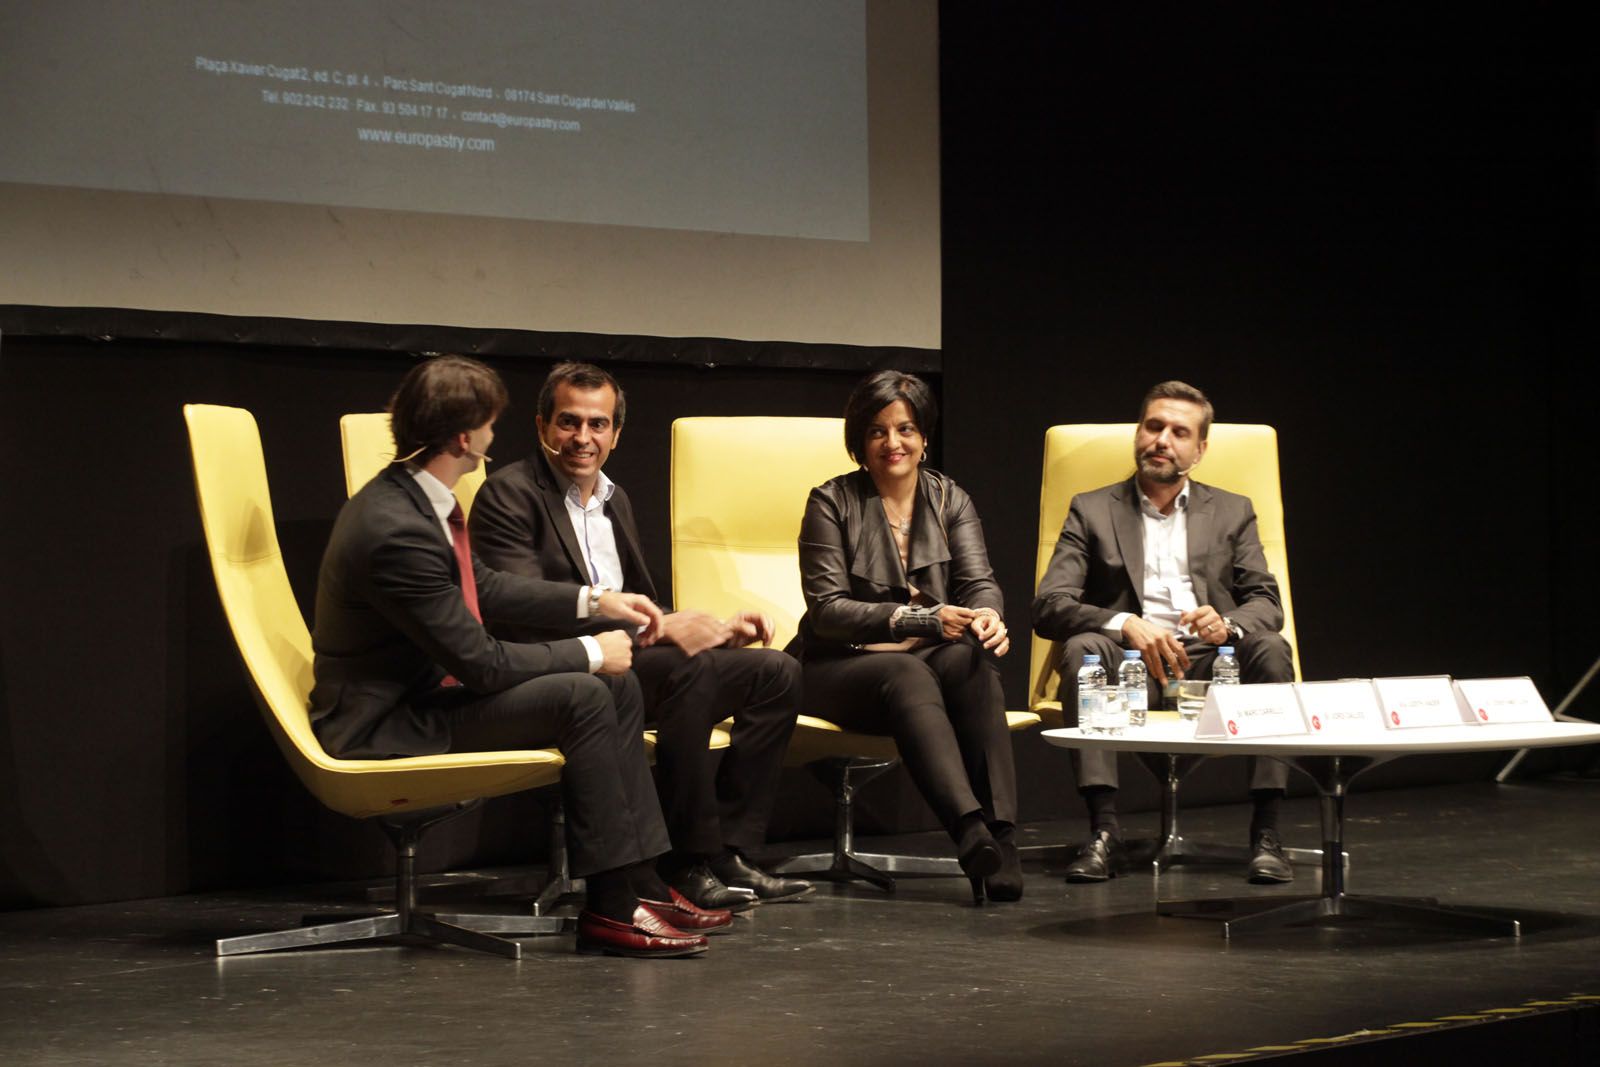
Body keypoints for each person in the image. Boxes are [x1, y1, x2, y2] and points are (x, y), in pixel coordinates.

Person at [308, 354, 731, 958]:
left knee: (617, 685)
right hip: (388, 721)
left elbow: (485, 583)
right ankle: (611, 909)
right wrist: (590, 651)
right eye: (490, 423)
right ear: (464, 434)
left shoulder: (420, 498)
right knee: (587, 689)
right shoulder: (395, 527)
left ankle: (640, 881)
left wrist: (599, 601)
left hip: (428, 694)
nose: (493, 435)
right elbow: (480, 663)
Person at [469, 362, 812, 910]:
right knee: (688, 672)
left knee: (775, 672)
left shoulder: (615, 499)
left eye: (598, 424)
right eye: (568, 422)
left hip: (632, 659)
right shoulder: (509, 494)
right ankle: (684, 861)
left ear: (616, 433)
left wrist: (715, 629)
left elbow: (642, 606)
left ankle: (728, 851)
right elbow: (523, 612)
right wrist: (661, 629)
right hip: (561, 667)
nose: (583, 438)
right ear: (541, 427)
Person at [1031, 380, 1295, 885]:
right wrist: (1125, 623)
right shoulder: (1092, 508)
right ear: (1138, 432)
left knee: (1270, 650)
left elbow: (1266, 602)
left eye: (1179, 432)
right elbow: (1050, 604)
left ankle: (1266, 833)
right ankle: (1103, 832)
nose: (1162, 440)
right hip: (1127, 663)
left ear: (1199, 450)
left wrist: (1228, 623)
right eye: (1154, 427)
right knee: (1085, 648)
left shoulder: (1232, 510)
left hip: (1209, 664)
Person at [792, 370, 1021, 904]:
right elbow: (827, 611)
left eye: (906, 429)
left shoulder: (950, 499)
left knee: (970, 663)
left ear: (923, 438)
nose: (892, 443)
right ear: (859, 442)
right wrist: (920, 620)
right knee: (906, 669)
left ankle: (1002, 838)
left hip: (925, 664)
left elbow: (979, 582)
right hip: (836, 666)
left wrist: (987, 616)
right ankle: (968, 831)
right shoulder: (830, 502)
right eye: (877, 431)